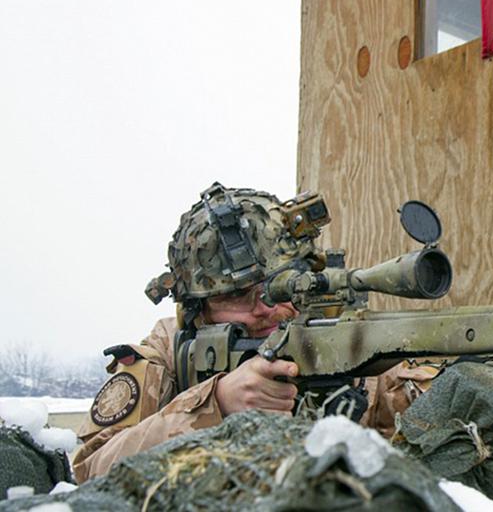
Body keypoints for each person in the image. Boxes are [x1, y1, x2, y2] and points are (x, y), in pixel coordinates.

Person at [72, 183, 436, 483]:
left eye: (279, 286)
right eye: (235, 295)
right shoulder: (164, 358)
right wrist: (215, 404)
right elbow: (89, 474)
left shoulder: (348, 346)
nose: (265, 307)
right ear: (197, 310)